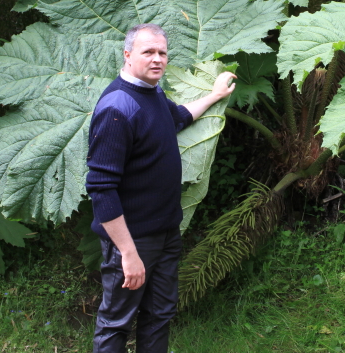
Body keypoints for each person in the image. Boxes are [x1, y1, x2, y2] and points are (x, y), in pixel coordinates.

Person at [86, 23, 236, 353]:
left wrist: (215, 95)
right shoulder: (117, 108)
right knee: (116, 323)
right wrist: (128, 253)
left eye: (162, 53)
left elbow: (178, 117)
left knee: (159, 315)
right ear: (127, 55)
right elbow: (101, 188)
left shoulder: (152, 92)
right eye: (148, 52)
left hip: (166, 232)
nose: (157, 59)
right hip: (133, 238)